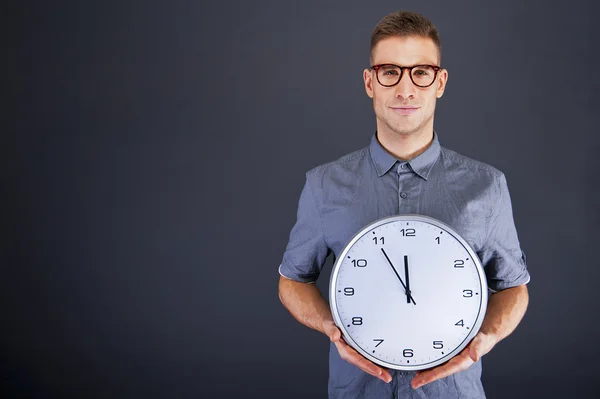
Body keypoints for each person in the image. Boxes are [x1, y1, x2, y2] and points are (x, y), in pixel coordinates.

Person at [277, 10, 530, 399]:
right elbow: (293, 280)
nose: (406, 89)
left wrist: (486, 339)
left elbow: (514, 287)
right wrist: (331, 326)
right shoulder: (324, 184)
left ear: (439, 82)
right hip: (357, 391)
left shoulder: (487, 186)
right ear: (370, 82)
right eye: (390, 71)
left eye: (421, 72)